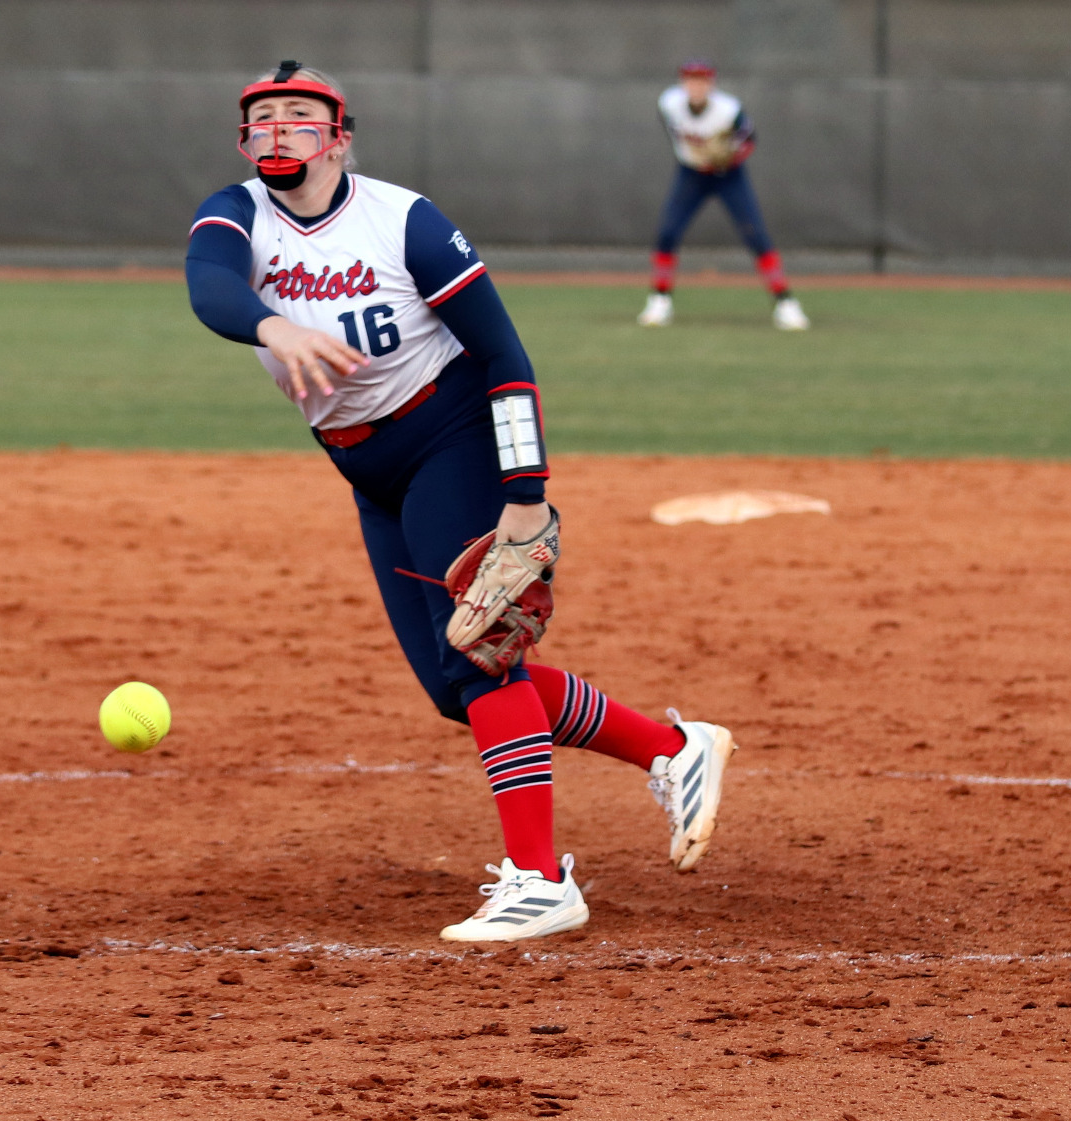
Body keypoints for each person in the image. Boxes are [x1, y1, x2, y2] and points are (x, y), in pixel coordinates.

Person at [186, 61, 738, 943]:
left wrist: (526, 496)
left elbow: (504, 355)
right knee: (458, 686)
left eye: (301, 115)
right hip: (366, 469)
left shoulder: (402, 220)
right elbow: (210, 286)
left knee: (479, 661)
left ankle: (539, 877)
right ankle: (674, 750)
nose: (278, 131)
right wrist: (272, 322)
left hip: (452, 438)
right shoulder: (237, 212)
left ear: (340, 135)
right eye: (262, 118)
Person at [638, 59, 809, 331]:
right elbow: (673, 128)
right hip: (691, 174)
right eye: (691, 79)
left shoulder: (727, 109)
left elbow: (750, 138)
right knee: (667, 233)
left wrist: (729, 152)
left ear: (711, 84)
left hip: (728, 175)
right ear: (683, 83)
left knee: (756, 235)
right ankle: (660, 300)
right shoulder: (669, 103)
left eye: (702, 80)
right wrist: (700, 151)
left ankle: (785, 303)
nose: (696, 85)